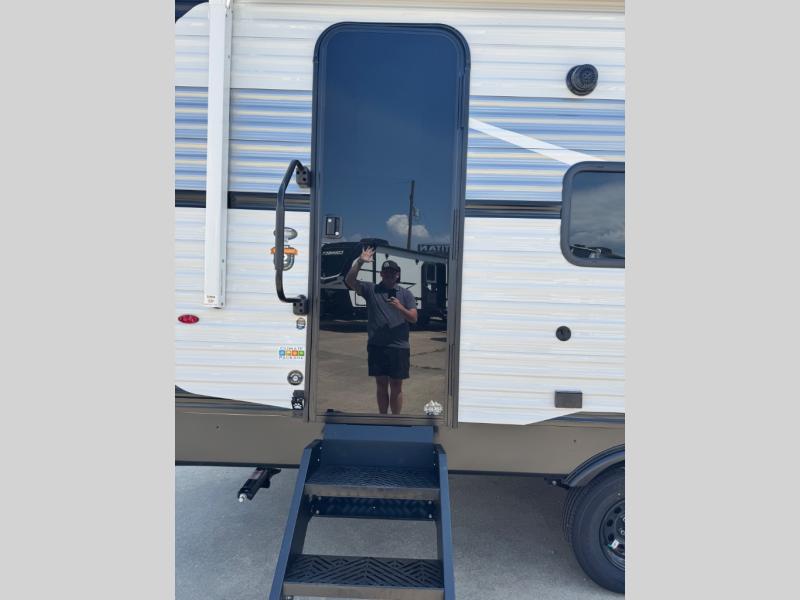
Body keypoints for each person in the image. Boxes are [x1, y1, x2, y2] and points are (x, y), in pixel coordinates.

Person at [344, 246, 417, 414]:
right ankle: (383, 418)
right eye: (386, 272)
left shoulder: (406, 294)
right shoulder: (371, 290)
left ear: (398, 275)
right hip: (377, 346)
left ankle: (395, 420)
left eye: (393, 272)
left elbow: (414, 318)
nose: (389, 274)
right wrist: (360, 262)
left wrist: (400, 307)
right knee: (381, 384)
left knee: (396, 386)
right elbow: (349, 281)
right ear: (381, 274)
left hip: (399, 347)